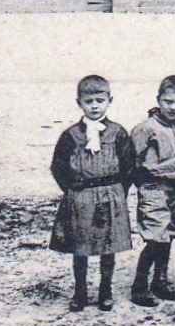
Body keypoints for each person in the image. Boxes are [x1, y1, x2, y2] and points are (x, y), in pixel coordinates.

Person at [49, 75, 135, 312]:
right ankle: (80, 292)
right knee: (81, 248)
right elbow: (58, 166)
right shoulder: (71, 135)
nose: (95, 105)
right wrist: (72, 191)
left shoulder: (118, 133)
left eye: (100, 100)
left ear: (110, 100)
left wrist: (119, 192)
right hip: (81, 196)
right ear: (80, 103)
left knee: (108, 247)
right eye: (89, 101)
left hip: (111, 195)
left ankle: (105, 290)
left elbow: (129, 167)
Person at [130, 75, 175, 307]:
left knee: (169, 236)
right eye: (168, 101)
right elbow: (132, 161)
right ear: (158, 99)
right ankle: (139, 287)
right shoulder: (146, 128)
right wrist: (144, 185)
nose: (173, 107)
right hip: (154, 187)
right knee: (155, 238)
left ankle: (160, 281)